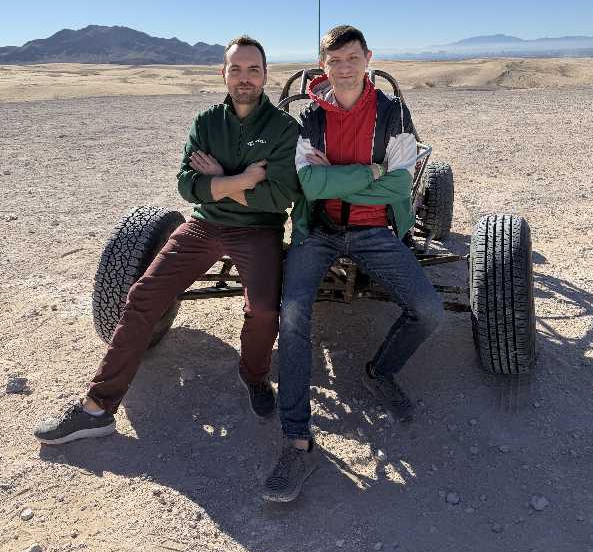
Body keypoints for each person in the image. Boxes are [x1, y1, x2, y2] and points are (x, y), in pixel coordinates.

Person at [34, 35, 300, 445]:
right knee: (142, 295)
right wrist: (244, 179)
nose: (244, 78)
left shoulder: (284, 128)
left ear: (265, 74)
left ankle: (254, 376)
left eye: (253, 69)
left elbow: (280, 196)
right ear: (223, 73)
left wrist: (218, 180)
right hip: (205, 224)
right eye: (236, 69)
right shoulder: (206, 122)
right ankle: (97, 407)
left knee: (263, 309)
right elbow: (186, 186)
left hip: (259, 229)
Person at [262, 25, 445, 502]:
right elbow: (309, 185)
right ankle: (297, 442)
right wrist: (371, 172)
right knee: (293, 315)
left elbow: (399, 186)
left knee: (429, 311)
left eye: (352, 58)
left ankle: (380, 371)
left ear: (368, 59)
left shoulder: (392, 112)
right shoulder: (310, 117)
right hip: (319, 231)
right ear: (323, 66)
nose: (343, 68)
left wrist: (336, 178)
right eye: (334, 61)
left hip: (375, 231)